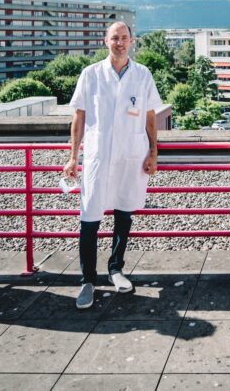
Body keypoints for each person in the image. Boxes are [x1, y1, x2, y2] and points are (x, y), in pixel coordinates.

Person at [64, 22, 162, 309]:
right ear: (105, 41)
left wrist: (154, 152)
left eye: (124, 38)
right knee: (90, 218)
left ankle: (116, 269)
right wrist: (72, 156)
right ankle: (87, 280)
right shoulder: (91, 74)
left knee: (124, 213)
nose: (119, 43)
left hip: (131, 154)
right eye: (114, 38)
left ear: (132, 41)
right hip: (97, 156)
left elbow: (150, 117)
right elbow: (79, 118)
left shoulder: (142, 75)